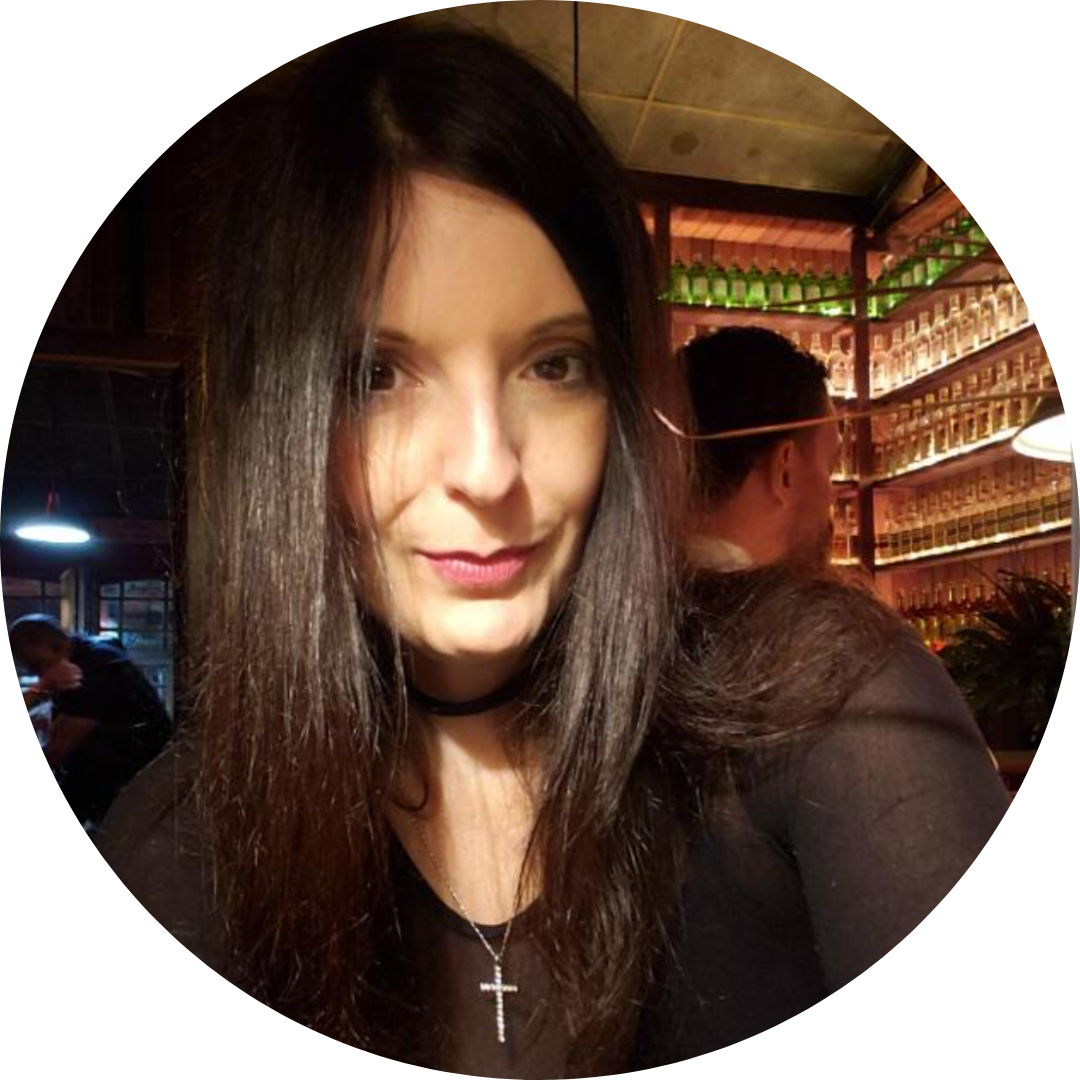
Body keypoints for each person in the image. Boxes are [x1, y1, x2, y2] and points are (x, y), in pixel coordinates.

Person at [91, 21, 1009, 1075]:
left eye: (553, 365)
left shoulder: (826, 710)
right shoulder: (180, 848)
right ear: (277, 422)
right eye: (377, 374)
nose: (487, 470)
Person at [680, 326, 842, 570]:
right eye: (830, 467)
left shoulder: (638, 581)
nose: (832, 496)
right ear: (785, 471)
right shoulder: (788, 597)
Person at [11, 614, 173, 828]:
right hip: (124, 765)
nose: (38, 673)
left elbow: (58, 750)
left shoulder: (94, 670)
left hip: (137, 772)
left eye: (37, 665)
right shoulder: (88, 650)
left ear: (58, 646)